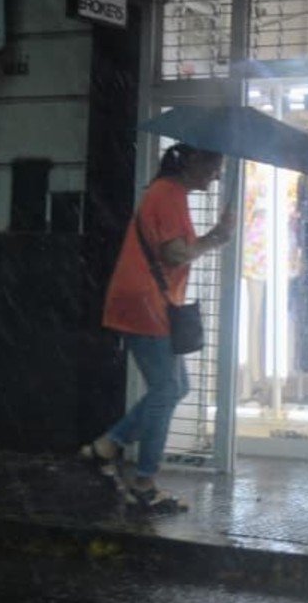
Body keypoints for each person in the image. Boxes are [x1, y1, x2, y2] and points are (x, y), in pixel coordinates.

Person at [82, 144, 236, 512]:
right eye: (215, 166)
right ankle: (144, 482)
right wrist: (216, 237)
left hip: (147, 300)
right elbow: (175, 253)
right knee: (167, 389)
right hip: (146, 303)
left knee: (177, 387)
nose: (217, 175)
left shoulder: (168, 193)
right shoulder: (168, 194)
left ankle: (107, 446)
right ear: (194, 161)